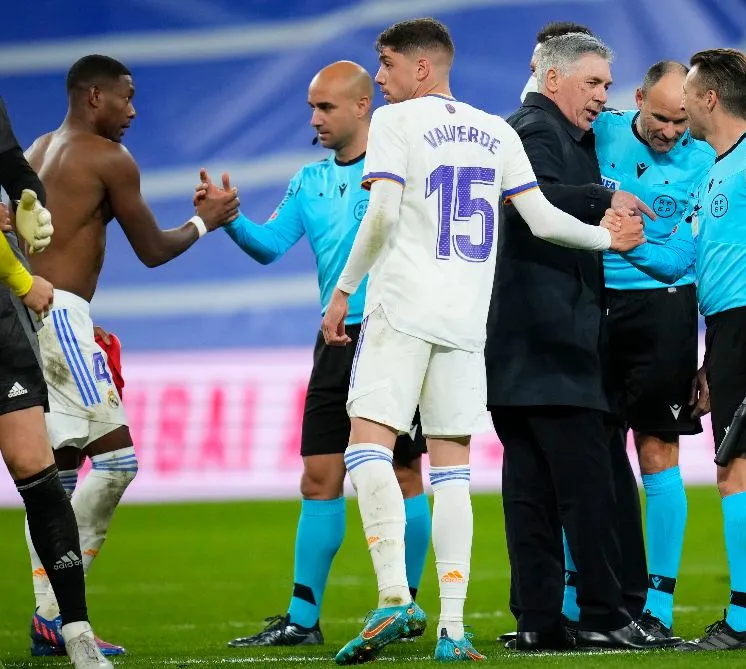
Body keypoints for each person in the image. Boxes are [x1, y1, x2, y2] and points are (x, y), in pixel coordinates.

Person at [321, 18, 638, 664]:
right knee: (453, 470)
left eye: (384, 65)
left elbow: (382, 214)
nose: (377, 78)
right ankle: (452, 628)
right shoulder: (494, 129)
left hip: (405, 307)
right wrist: (608, 237)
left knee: (365, 448)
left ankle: (392, 595)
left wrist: (344, 289)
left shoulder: (395, 125)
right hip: (466, 322)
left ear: (420, 68)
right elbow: (543, 219)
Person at [200, 61, 433, 649]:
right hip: (334, 343)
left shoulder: (403, 167)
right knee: (319, 478)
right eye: (311, 107)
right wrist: (231, 221)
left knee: (405, 473)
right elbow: (271, 246)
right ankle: (302, 619)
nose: (314, 119)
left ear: (362, 106)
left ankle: (401, 606)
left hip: (395, 335)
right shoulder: (309, 181)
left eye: (325, 107)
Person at [22, 54, 239, 656]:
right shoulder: (108, 158)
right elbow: (151, 249)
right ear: (95, 96)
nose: (134, 111)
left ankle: (48, 616)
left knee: (55, 476)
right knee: (117, 466)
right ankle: (55, 612)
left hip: (26, 317)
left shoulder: (40, 149)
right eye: (127, 97)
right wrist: (205, 221)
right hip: (60, 318)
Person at [613, 47, 746, 651]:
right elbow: (687, 259)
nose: (681, 103)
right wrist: (623, 245)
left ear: (709, 98)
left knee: (735, 472)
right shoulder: (713, 170)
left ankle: (740, 622)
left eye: (690, 93)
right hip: (728, 331)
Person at [486, 31, 671, 653]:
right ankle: (604, 612)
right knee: (589, 491)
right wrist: (603, 198)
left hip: (520, 351)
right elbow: (527, 203)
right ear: (553, 78)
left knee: (530, 495)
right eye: (592, 83)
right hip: (554, 345)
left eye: (606, 86)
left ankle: (538, 620)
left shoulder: (551, 130)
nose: (601, 97)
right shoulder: (536, 130)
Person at [557, 60, 715, 642]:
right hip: (592, 304)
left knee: (657, 453)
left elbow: (694, 256)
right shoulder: (599, 130)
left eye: (682, 121)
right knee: (587, 455)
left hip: (664, 312)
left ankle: (658, 607)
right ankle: (577, 600)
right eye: (661, 117)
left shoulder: (706, 161)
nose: (672, 132)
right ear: (638, 97)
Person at [0, 96, 111, 669]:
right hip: (11, 288)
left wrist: (28, 199)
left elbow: (9, 159)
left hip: (0, 319)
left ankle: (75, 632)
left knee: (37, 473)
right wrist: (22, 279)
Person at [518, 22, 595, 104]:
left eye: (548, 71)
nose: (534, 80)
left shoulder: (608, 116)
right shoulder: (525, 116)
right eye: (534, 71)